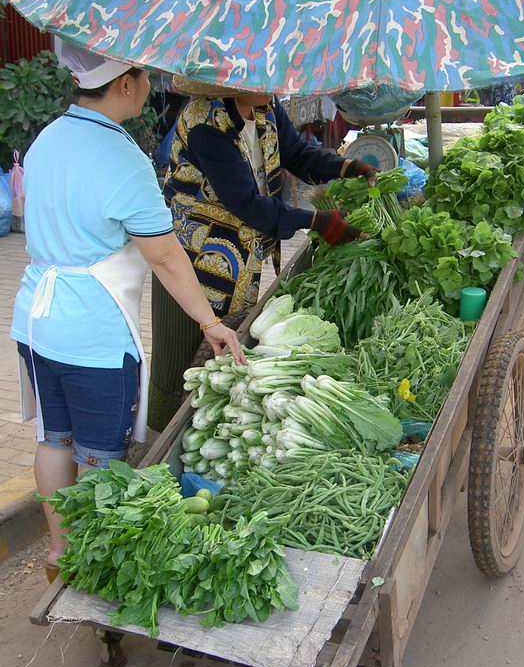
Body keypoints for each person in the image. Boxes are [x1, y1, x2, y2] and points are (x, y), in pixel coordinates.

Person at [10, 41, 245, 582]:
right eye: (144, 76)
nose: (148, 86)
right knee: (97, 456)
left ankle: (59, 552)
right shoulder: (122, 157)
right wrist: (210, 322)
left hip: (35, 322)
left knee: (53, 439)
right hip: (91, 335)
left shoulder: (47, 138)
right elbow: (164, 255)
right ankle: (93, 569)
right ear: (124, 83)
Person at [147, 79, 376, 430]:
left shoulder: (264, 107)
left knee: (224, 347)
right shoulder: (205, 124)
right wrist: (316, 221)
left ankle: (207, 425)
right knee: (183, 352)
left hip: (240, 255)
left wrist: (344, 167)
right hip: (193, 258)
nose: (271, 85)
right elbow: (246, 204)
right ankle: (161, 440)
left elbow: (297, 154)